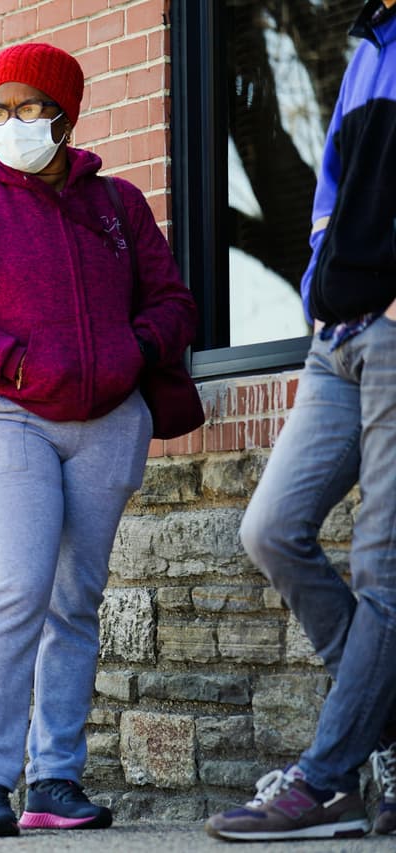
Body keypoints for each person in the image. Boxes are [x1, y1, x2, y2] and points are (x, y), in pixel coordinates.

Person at [0, 43, 197, 838]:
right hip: (8, 416)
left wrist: (131, 352)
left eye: (27, 109)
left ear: (64, 116)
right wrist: (19, 364)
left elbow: (172, 302)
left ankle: (56, 778)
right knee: (20, 586)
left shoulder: (118, 205)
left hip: (109, 421)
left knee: (76, 600)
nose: (10, 124)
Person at [206, 0, 396, 841]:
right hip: (340, 340)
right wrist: (322, 294)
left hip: (392, 333)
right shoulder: (364, 49)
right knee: (272, 529)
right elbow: (330, 188)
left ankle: (328, 780)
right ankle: (384, 735)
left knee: (385, 571)